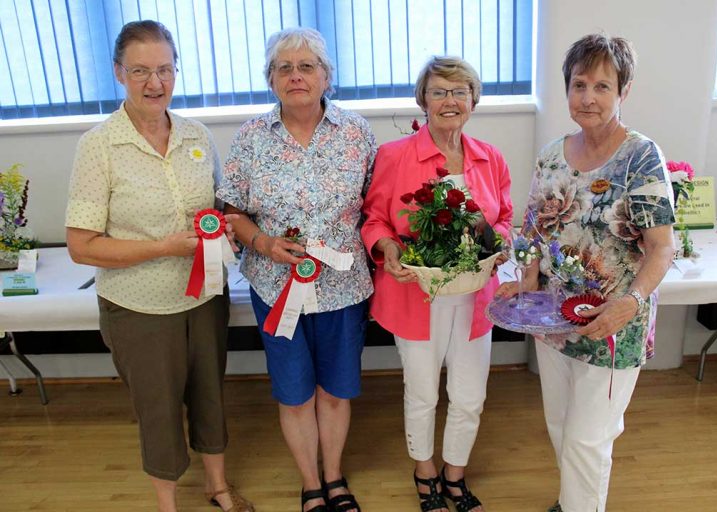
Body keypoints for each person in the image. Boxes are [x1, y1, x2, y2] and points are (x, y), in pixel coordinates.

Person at [65, 20, 252, 512]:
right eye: (141, 71)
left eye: (165, 69)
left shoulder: (196, 134)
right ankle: (167, 503)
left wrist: (227, 227)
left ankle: (217, 487)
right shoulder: (99, 146)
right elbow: (81, 246)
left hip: (204, 298)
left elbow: (215, 207)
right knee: (158, 410)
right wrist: (163, 247)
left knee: (211, 395)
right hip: (138, 306)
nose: (155, 83)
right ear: (118, 74)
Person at [497, 34, 676, 512]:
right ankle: (572, 502)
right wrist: (528, 280)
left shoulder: (641, 157)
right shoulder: (553, 153)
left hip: (612, 325)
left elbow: (662, 249)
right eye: (579, 84)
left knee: (586, 440)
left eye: (602, 85)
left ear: (624, 91)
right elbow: (534, 230)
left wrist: (629, 303)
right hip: (554, 321)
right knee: (560, 426)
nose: (589, 97)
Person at [216, 28, 375, 512]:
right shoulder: (249, 138)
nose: (296, 76)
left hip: (343, 289)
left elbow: (375, 206)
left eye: (307, 66)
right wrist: (262, 242)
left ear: (327, 76)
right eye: (284, 68)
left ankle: (335, 477)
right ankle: (310, 484)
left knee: (334, 391)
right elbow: (232, 212)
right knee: (294, 393)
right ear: (271, 80)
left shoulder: (357, 133)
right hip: (274, 286)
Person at [361, 56, 513, 512]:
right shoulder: (394, 156)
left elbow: (504, 219)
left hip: (475, 297)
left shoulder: (491, 158)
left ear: (473, 100)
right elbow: (374, 219)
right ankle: (424, 471)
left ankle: (455, 474)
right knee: (423, 391)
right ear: (422, 100)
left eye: (459, 91)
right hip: (415, 294)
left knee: (469, 395)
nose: (450, 101)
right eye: (438, 92)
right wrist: (387, 248)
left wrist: (501, 243)